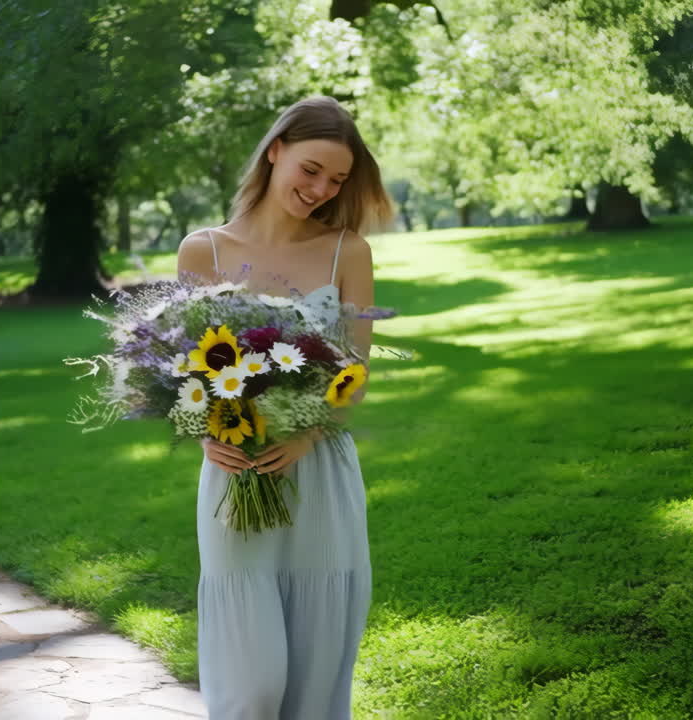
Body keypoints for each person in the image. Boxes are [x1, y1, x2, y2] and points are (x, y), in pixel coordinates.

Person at [176, 95, 395, 719]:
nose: (322, 188)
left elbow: (352, 373)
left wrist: (305, 434)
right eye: (311, 169)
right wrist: (204, 433)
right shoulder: (203, 251)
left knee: (317, 678)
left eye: (337, 180)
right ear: (276, 150)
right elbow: (188, 364)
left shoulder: (346, 252)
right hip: (234, 473)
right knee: (252, 685)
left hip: (319, 471)